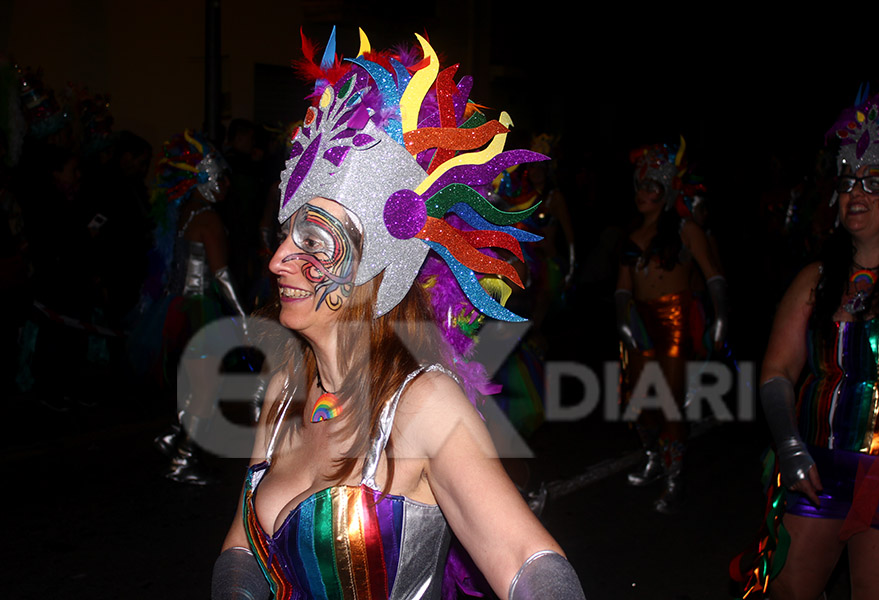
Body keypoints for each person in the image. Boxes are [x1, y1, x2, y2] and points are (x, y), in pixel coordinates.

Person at [212, 28, 585, 600]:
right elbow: (242, 543)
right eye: (288, 235)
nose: (279, 259)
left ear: (371, 268)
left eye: (313, 243)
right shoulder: (287, 385)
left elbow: (524, 558)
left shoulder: (422, 405)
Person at [749, 88, 879, 599]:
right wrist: (790, 445)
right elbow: (777, 371)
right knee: (787, 589)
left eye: (873, 183)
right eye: (846, 183)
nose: (854, 194)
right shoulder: (814, 279)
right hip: (818, 465)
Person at [615, 140, 727, 513]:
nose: (643, 193)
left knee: (670, 402)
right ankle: (653, 457)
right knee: (640, 401)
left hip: (675, 318)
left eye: (653, 187)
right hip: (639, 320)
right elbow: (622, 288)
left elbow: (713, 275)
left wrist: (720, 316)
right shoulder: (632, 238)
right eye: (640, 185)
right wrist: (623, 320)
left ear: (667, 193)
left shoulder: (685, 230)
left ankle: (674, 477)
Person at [132, 130, 247, 484]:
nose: (227, 183)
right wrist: (243, 316)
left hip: (176, 308)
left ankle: (172, 435)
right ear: (202, 179)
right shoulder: (209, 218)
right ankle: (181, 461)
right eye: (220, 177)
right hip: (200, 311)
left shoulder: (185, 212)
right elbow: (222, 274)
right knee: (207, 387)